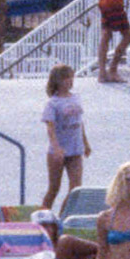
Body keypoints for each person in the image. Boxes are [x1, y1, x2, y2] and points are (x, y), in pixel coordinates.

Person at [41, 64, 91, 209]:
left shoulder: (76, 98)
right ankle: (43, 216)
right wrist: (56, 148)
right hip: (59, 150)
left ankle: (63, 216)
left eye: (71, 77)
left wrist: (86, 143)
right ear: (58, 80)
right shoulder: (53, 103)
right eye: (66, 78)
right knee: (54, 188)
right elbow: (50, 128)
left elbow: (79, 122)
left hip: (75, 148)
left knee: (76, 188)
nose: (70, 81)